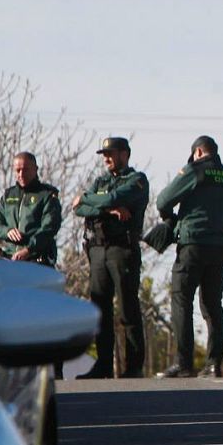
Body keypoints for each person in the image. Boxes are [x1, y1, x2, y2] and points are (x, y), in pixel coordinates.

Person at [154, 135, 223, 378]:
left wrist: (172, 217)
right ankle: (214, 364)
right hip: (220, 248)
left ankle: (183, 363)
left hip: (192, 245)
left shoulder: (195, 171)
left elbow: (163, 200)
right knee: (213, 305)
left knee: (182, 300)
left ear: (199, 153)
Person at [73, 136, 149, 379]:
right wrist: (105, 208)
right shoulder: (100, 181)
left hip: (122, 250)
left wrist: (90, 199)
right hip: (97, 250)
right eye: (104, 154)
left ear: (125, 154)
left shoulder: (136, 180)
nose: (106, 158)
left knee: (128, 308)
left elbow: (110, 198)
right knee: (100, 309)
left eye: (111, 153)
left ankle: (133, 367)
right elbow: (78, 208)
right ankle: (103, 365)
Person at [0, 151, 62, 265]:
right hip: (10, 260)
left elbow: (49, 229)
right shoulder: (8, 195)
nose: (21, 174)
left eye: (25, 170)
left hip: (36, 261)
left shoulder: (46, 195)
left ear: (35, 169)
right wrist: (7, 231)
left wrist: (28, 250)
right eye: (18, 170)